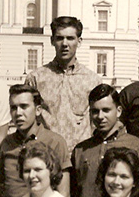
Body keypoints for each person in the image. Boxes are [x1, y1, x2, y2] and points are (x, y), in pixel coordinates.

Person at [70, 85, 139, 197]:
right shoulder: (81, 150)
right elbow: (73, 196)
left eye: (106, 110)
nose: (100, 116)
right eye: (95, 111)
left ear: (118, 111)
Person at [25, 16, 105, 144]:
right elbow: (28, 120)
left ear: (79, 41)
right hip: (45, 153)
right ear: (52, 41)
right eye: (60, 38)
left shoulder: (93, 81)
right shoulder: (36, 79)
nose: (65, 44)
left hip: (79, 155)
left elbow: (98, 123)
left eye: (70, 38)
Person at [0, 83, 68, 197]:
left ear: (38, 110)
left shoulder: (55, 142)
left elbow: (63, 193)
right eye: (13, 108)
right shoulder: (6, 144)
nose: (18, 113)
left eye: (24, 107)